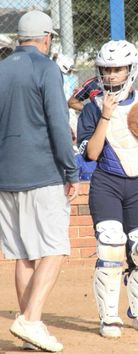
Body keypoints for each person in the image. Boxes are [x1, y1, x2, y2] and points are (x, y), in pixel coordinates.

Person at [0, 10, 79, 352]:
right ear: (46, 38)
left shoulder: (1, 69)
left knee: (24, 254)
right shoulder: (45, 68)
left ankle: (29, 326)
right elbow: (59, 125)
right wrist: (71, 169)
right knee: (55, 247)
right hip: (42, 173)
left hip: (5, 176)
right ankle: (31, 320)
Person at [77, 39, 138, 338]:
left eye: (118, 69)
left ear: (132, 69)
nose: (112, 75)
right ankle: (110, 317)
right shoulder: (91, 107)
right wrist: (105, 113)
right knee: (112, 245)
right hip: (106, 185)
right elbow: (91, 153)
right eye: (106, 70)